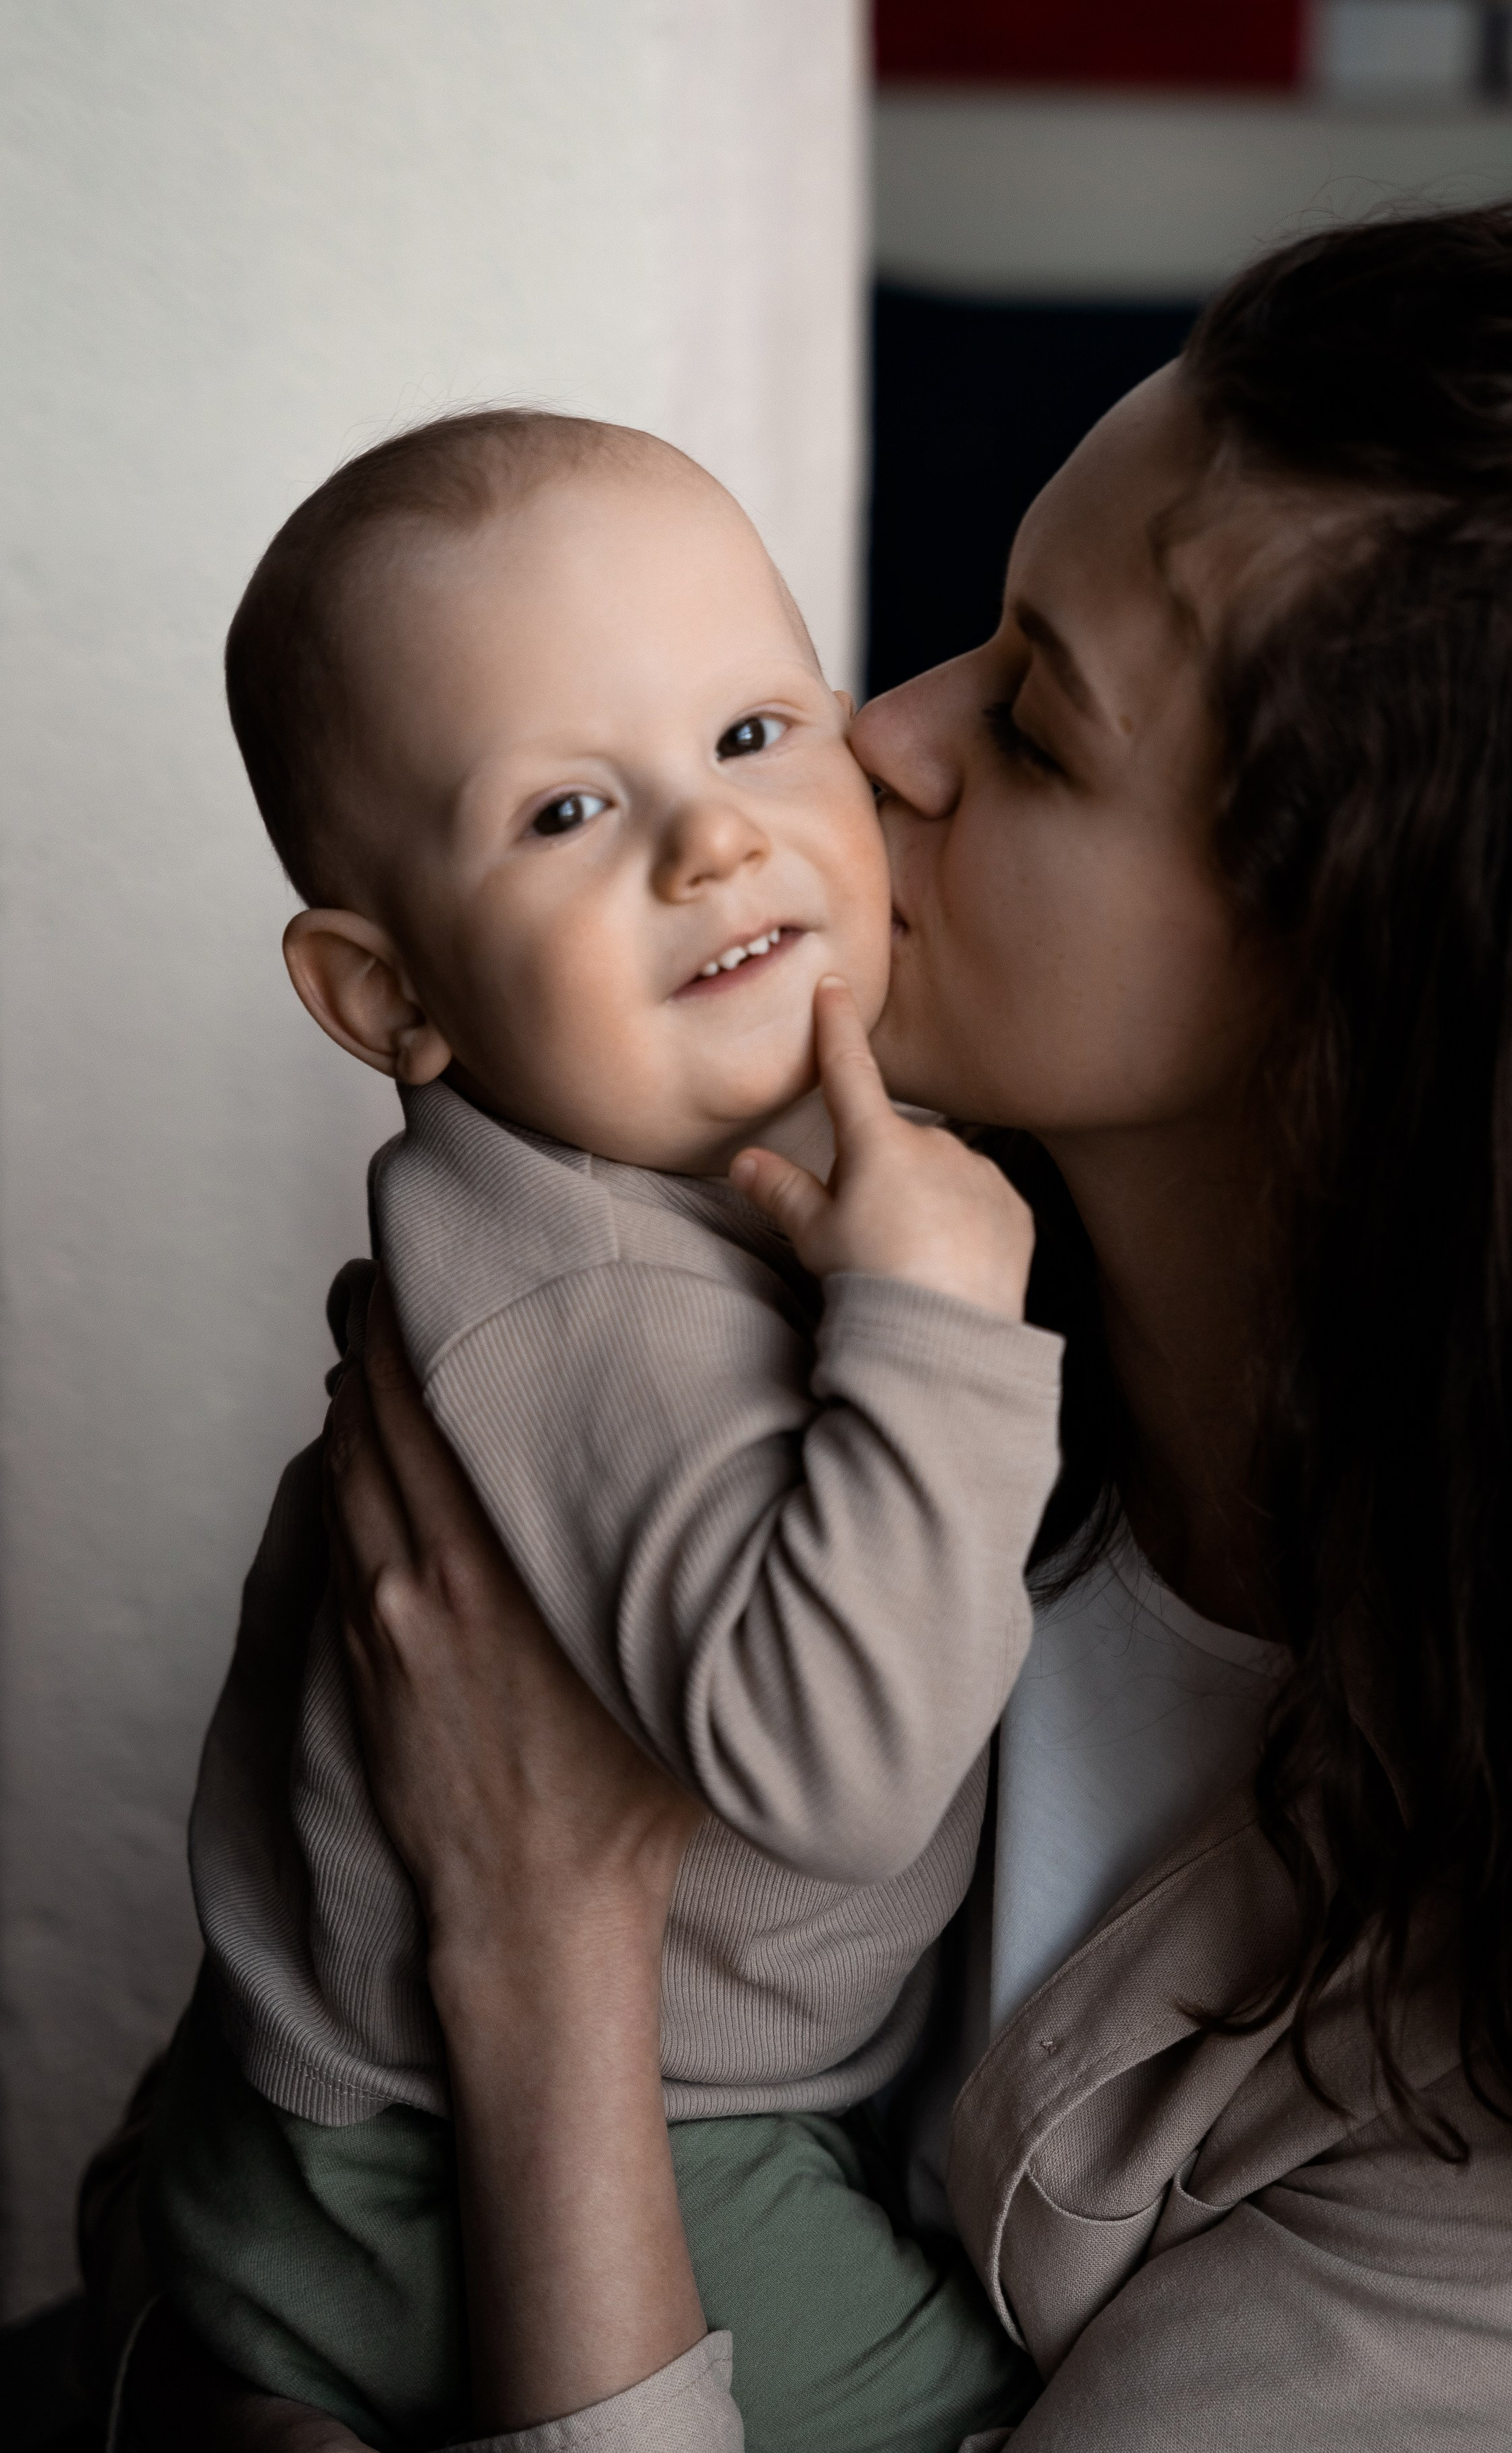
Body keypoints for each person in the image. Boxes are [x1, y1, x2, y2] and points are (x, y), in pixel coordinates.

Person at [119, 201, 1512, 2449]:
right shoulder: (721, 1252)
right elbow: (244, 2134)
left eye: (1031, 723)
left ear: (1368, 996)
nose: (870, 738)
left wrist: (540, 1956)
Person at [136, 414, 1060, 2450]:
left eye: (751, 735)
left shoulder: (681, 1165)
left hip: (526, 2101)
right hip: (483, 2158)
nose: (710, 844)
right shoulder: (591, 1293)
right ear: (390, 1003)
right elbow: (833, 1770)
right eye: (566, 808)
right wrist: (940, 1319)